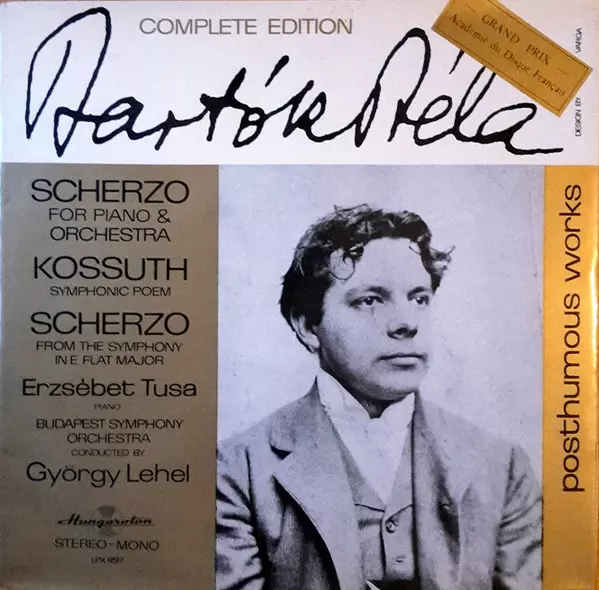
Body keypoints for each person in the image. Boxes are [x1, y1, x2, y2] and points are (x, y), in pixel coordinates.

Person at [216, 205, 541, 590]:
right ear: (308, 326)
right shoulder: (237, 471)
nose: (407, 322)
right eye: (370, 300)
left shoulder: (502, 468)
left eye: (419, 298)